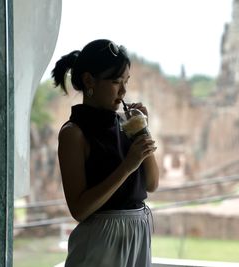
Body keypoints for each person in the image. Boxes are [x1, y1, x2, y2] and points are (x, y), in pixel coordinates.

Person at [52, 39, 159, 267]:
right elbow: (79, 210)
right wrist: (127, 167)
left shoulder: (127, 125)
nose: (123, 91)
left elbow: (152, 183)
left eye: (126, 82)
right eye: (115, 82)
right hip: (101, 243)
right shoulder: (74, 133)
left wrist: (142, 131)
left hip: (138, 236)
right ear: (90, 81)